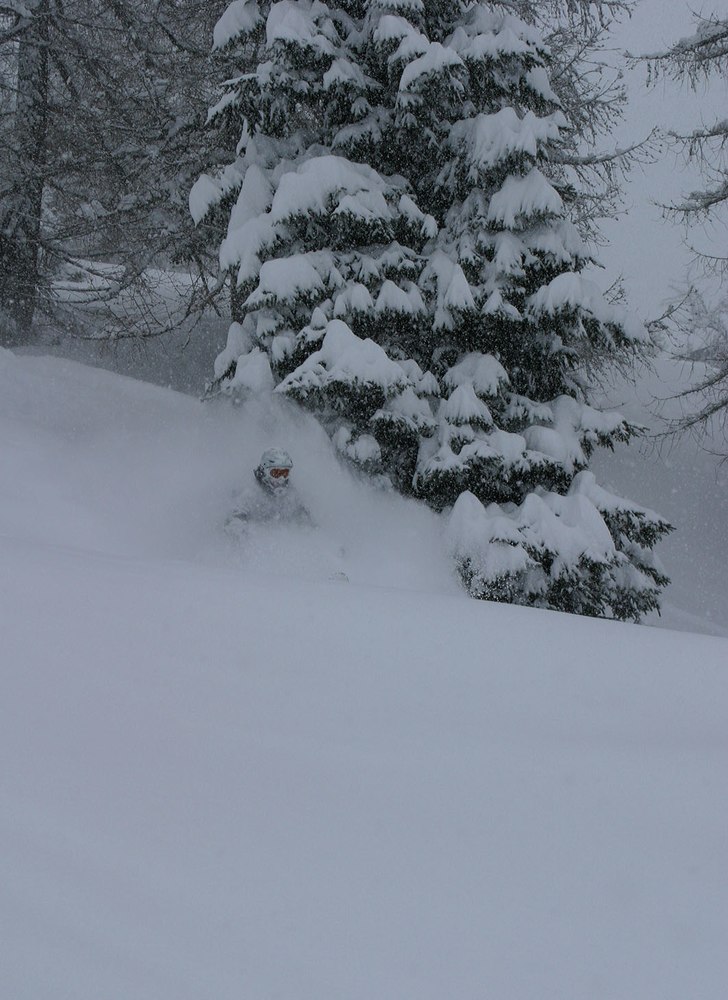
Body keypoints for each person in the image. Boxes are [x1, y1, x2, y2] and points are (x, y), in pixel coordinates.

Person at [226, 448, 313, 535]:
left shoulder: (291, 494)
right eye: (276, 473)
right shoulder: (250, 492)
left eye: (285, 473)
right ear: (265, 472)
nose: (281, 479)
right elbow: (234, 519)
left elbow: (306, 520)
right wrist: (239, 532)